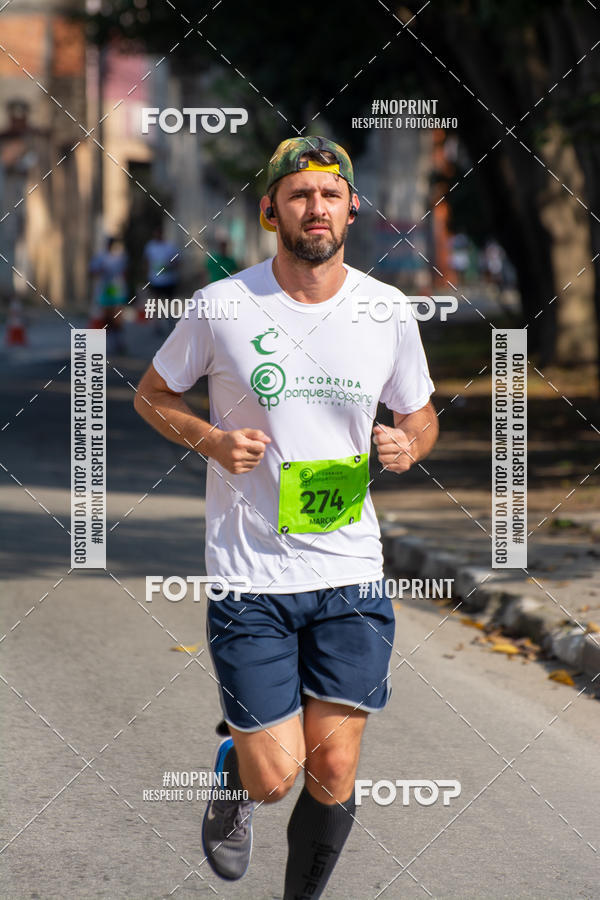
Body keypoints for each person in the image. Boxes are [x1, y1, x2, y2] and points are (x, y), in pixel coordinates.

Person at [134, 136, 438, 898]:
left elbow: (421, 414)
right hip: (251, 576)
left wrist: (407, 443)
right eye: (300, 195)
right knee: (279, 778)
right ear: (272, 209)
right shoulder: (222, 306)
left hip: (350, 572)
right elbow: (151, 396)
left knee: (333, 766)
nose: (317, 208)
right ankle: (235, 775)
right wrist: (209, 438)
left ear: (352, 208)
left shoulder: (385, 309)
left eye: (330, 195)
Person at [89, 237, 128, 354]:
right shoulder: (100, 257)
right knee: (106, 318)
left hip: (116, 291)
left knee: (116, 318)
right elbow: (91, 271)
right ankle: (110, 343)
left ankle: (118, 342)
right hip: (105, 291)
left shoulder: (120, 258)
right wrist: (100, 270)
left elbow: (125, 273)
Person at [143, 225, 179, 333]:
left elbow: (177, 261)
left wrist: (170, 266)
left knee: (169, 302)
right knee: (156, 302)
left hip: (168, 279)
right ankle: (157, 324)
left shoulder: (170, 246)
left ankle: (170, 321)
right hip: (155, 280)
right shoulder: (150, 246)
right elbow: (146, 262)